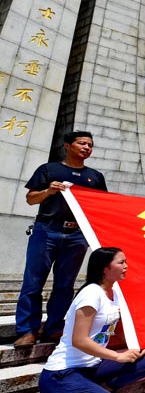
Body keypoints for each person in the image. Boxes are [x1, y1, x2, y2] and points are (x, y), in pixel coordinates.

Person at [15, 130, 108, 348]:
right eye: (82, 143)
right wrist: (48, 191)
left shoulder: (95, 177)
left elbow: (102, 205)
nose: (87, 148)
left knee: (65, 286)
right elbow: (30, 199)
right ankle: (27, 331)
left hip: (77, 236)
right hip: (47, 231)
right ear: (67, 145)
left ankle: (54, 328)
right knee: (33, 283)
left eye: (90, 145)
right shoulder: (49, 169)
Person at [38, 247, 145, 393]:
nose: (126, 266)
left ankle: (103, 388)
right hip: (62, 374)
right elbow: (79, 340)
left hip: (92, 367)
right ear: (105, 269)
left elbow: (116, 328)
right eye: (121, 263)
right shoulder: (91, 294)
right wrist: (117, 356)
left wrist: (135, 346)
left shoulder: (115, 293)